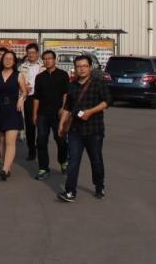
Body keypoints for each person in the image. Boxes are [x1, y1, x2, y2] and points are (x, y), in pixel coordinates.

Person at [57, 54, 111, 202]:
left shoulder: (98, 83)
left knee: (96, 160)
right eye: (78, 66)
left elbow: (107, 101)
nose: (81, 69)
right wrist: (61, 124)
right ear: (74, 68)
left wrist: (90, 112)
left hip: (94, 130)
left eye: (84, 66)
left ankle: (99, 186)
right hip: (75, 131)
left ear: (90, 67)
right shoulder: (72, 85)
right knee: (73, 161)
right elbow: (67, 107)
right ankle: (70, 191)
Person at [0, 50, 27, 179]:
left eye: (10, 59)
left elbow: (25, 91)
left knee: (10, 141)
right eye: (5, 58)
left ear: (14, 62)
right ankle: (6, 165)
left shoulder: (19, 75)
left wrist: (21, 98)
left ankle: (5, 169)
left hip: (13, 110)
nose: (8, 61)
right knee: (1, 140)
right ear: (2, 61)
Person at [32, 49, 70, 179]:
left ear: (55, 60)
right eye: (45, 59)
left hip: (58, 114)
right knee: (41, 141)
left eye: (50, 58)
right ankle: (43, 168)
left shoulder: (63, 75)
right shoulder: (40, 77)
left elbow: (66, 93)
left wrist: (63, 108)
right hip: (42, 114)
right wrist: (34, 114)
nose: (47, 61)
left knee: (61, 140)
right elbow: (36, 97)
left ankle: (63, 161)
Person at [20, 43, 43, 161]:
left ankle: (40, 144)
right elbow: (18, 82)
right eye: (29, 53)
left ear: (37, 53)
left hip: (42, 99)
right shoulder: (22, 67)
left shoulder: (44, 66)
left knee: (42, 125)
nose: (31, 55)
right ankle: (31, 151)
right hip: (29, 98)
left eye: (33, 52)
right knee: (30, 126)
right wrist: (23, 87)